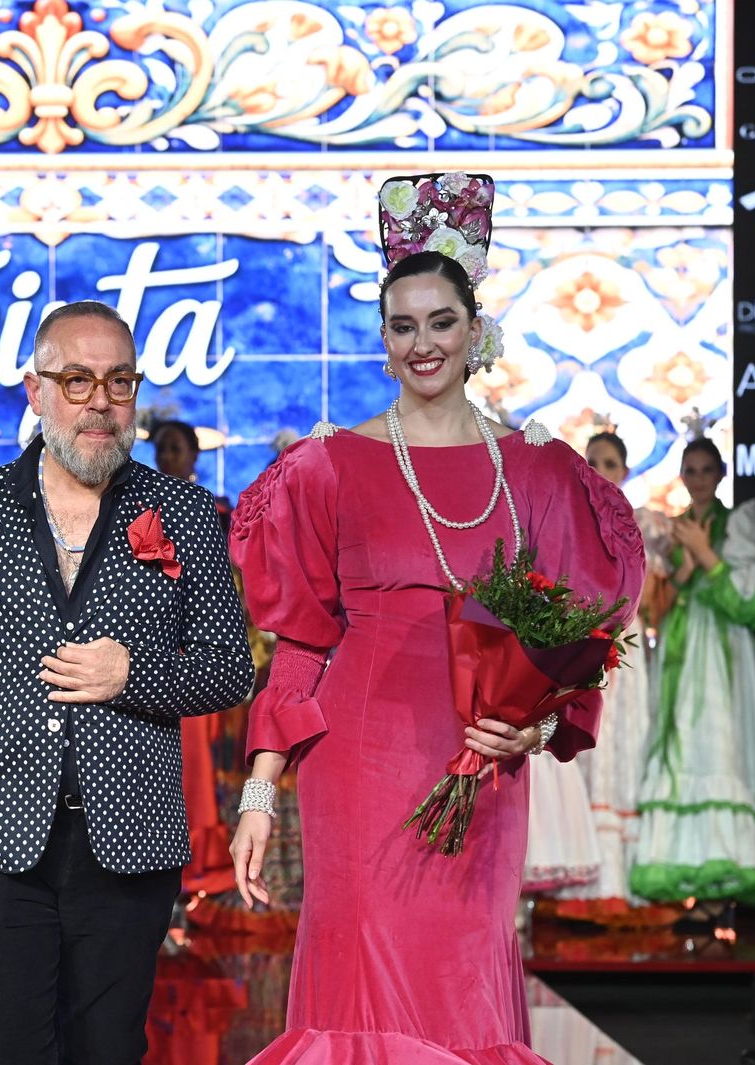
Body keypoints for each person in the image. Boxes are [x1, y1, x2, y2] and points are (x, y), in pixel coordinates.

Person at [227, 172, 644, 1062]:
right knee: (360, 988)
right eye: (403, 325)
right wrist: (261, 791)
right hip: (358, 763)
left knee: (464, 980)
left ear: (475, 329)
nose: (424, 343)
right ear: (383, 341)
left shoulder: (537, 470)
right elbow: (301, 642)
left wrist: (526, 730)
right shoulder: (329, 466)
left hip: (481, 769)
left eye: (441, 321)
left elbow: (581, 636)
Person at [0, 300, 254, 1063]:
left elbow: (229, 667)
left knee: (108, 1049)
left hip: (129, 840)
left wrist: (134, 672)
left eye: (118, 382)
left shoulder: (181, 510)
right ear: (35, 390)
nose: (99, 402)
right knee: (3, 1046)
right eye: (77, 379)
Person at [631, 437, 755, 908]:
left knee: (721, 743)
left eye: (706, 470)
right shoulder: (668, 530)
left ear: (721, 473)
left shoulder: (741, 524)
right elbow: (655, 607)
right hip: (677, 652)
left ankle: (728, 875)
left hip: (722, 653)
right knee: (678, 748)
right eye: (690, 471)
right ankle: (686, 880)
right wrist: (684, 564)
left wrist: (707, 556)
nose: (697, 479)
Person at [529, 430, 669, 913]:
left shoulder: (643, 523)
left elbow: (652, 600)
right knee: (577, 753)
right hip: (576, 648)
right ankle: (573, 882)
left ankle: (619, 886)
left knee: (619, 752)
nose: (601, 470)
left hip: (621, 651)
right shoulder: (566, 519)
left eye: (610, 463)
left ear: (625, 471)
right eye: (593, 461)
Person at [150, 418, 238, 897]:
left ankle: (203, 855)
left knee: (199, 759)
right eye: (162, 448)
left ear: (195, 455)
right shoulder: (139, 508)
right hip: (158, 652)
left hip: (203, 652)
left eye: (176, 448)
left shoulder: (216, 511)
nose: (168, 456)